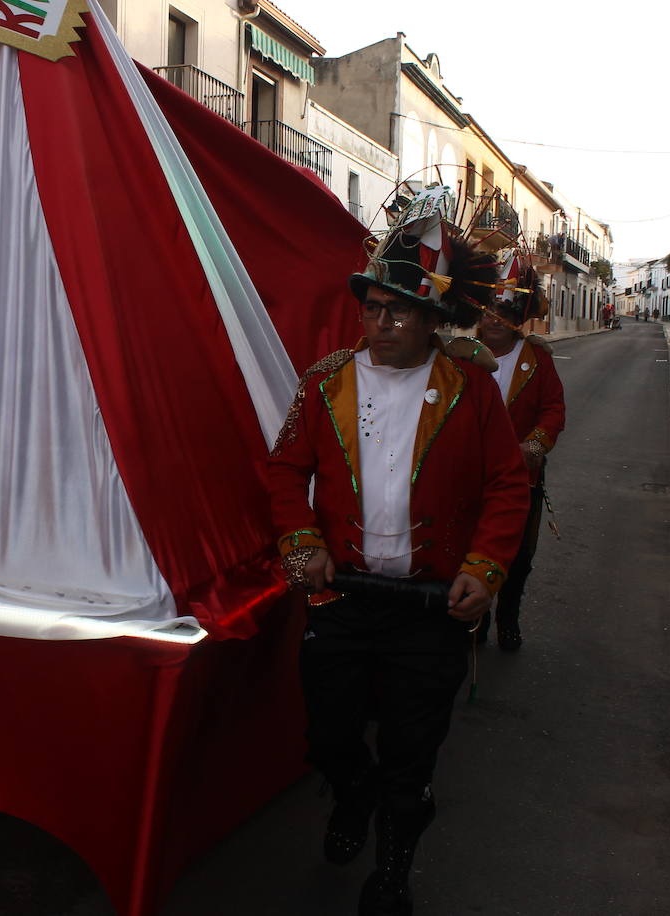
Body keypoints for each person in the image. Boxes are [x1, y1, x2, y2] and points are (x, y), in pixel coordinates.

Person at [266, 186, 529, 916]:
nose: (382, 324)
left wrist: (484, 569)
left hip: (430, 607)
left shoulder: (471, 388)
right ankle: (352, 794)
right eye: (374, 309)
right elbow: (285, 471)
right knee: (330, 736)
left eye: (401, 312)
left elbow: (508, 485)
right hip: (342, 600)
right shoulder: (325, 383)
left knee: (412, 750)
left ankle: (392, 866)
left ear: (432, 319)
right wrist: (302, 544)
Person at [473, 251, 565, 650]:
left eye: (504, 312)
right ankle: (475, 618)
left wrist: (535, 444)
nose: (494, 319)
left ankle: (508, 616)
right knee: (470, 547)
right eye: (488, 310)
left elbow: (553, 409)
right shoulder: (460, 355)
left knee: (517, 555)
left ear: (519, 318)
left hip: (519, 477)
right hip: (468, 476)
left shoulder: (536, 358)